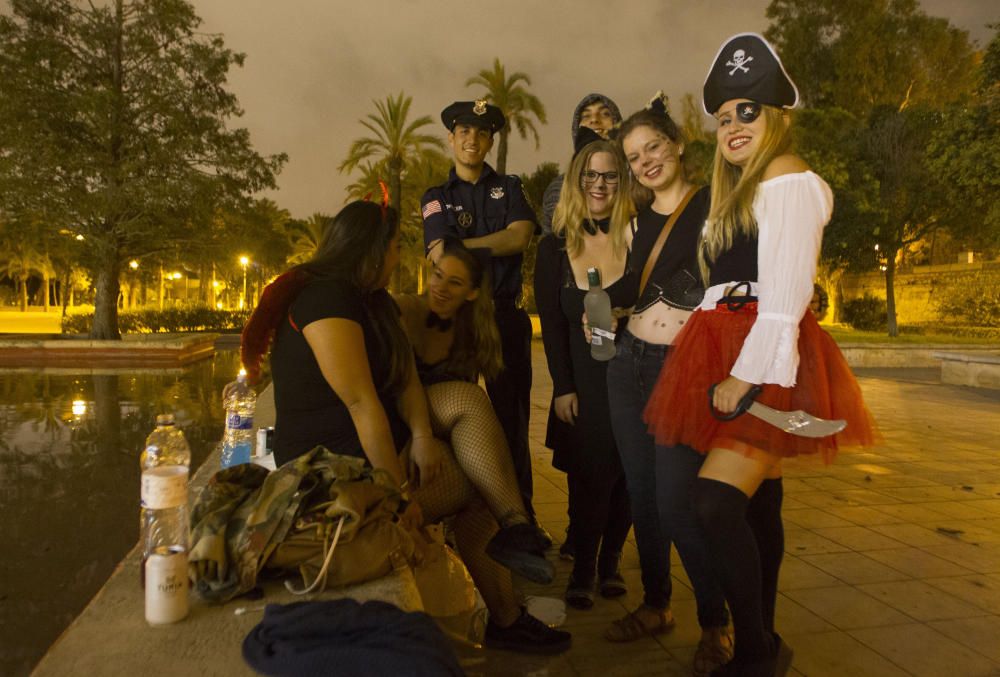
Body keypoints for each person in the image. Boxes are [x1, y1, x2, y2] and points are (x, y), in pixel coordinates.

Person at [644, 34, 878, 676]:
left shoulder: (789, 177)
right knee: (759, 501)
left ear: (775, 116)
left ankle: (754, 650)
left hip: (759, 354)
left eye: (747, 110)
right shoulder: (742, 190)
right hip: (720, 342)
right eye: (722, 117)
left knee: (714, 502)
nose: (732, 125)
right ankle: (765, 643)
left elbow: (785, 294)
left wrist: (746, 376)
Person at [240, 201, 571, 654]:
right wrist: (395, 496)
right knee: (478, 487)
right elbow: (361, 404)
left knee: (468, 401)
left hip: (376, 439)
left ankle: (515, 538)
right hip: (332, 468)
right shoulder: (325, 300)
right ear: (371, 250)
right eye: (395, 247)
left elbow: (405, 379)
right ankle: (507, 610)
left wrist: (419, 436)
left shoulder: (371, 300)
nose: (400, 258)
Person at [601, 94, 732, 675]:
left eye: (653, 146)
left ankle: (716, 621)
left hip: (683, 367)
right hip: (628, 363)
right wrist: (600, 310)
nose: (645, 162)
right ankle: (656, 603)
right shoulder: (635, 220)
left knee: (677, 503)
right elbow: (636, 287)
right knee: (642, 497)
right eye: (633, 157)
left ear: (678, 144)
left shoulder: (714, 208)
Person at [395, 239, 552, 583]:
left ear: (470, 293)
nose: (440, 287)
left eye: (454, 282)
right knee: (471, 399)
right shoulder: (405, 310)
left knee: (483, 480)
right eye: (438, 276)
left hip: (436, 430)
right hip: (401, 421)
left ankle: (506, 613)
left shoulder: (474, 332)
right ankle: (518, 524)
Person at [421, 99, 541, 537]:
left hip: (505, 318)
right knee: (458, 421)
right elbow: (438, 252)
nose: (472, 139)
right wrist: (488, 244)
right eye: (464, 132)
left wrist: (463, 248)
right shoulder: (435, 197)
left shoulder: (510, 187)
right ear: (451, 138)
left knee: (512, 421)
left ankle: (521, 518)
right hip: (458, 323)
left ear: (491, 141)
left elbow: (520, 236)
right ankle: (464, 522)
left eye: (482, 133)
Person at [535, 131, 634, 610]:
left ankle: (612, 560)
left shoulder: (639, 239)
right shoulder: (553, 248)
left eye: (609, 175)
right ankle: (586, 567)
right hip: (585, 379)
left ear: (621, 181)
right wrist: (563, 386)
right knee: (592, 473)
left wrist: (625, 315)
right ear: (577, 181)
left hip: (634, 374)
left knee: (631, 475)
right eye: (590, 174)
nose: (599, 184)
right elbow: (552, 327)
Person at [540, 93, 623, 235]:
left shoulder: (639, 180)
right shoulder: (558, 189)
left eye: (605, 114)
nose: (595, 120)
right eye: (586, 116)